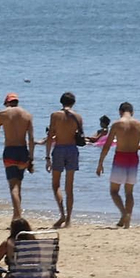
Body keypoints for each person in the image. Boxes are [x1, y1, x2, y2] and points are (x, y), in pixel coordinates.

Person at [95, 101, 140, 228]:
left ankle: (124, 214)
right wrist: (135, 146)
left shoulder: (117, 124)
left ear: (120, 112)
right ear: (132, 112)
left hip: (120, 157)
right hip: (133, 158)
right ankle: (126, 221)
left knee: (114, 191)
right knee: (129, 193)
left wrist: (100, 163)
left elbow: (107, 145)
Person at [0, 93, 35, 221]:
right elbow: (31, 139)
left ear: (7, 103)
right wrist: (31, 158)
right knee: (18, 184)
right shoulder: (27, 115)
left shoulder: (2, 114)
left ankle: (17, 216)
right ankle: (17, 213)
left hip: (10, 151)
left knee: (13, 186)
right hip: (23, 151)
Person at [45, 92, 85, 228]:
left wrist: (47, 156)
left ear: (61, 102)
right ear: (73, 103)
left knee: (55, 184)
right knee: (70, 187)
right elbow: (80, 136)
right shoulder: (78, 117)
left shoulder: (55, 115)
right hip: (72, 150)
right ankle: (68, 219)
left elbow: (50, 136)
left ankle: (62, 214)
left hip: (59, 149)